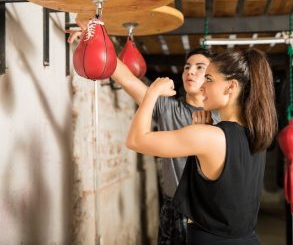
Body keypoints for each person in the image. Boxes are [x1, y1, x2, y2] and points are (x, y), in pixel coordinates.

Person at [67, 21, 217, 244]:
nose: (190, 72)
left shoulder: (222, 118)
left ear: (212, 77)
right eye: (187, 66)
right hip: (172, 208)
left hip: (206, 210)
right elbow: (126, 78)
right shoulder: (168, 108)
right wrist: (92, 39)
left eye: (199, 67)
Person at [126, 48, 278, 244]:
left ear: (231, 87)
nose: (203, 86)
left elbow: (135, 140)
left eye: (209, 79)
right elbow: (221, 197)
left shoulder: (210, 137)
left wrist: (152, 92)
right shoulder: (256, 134)